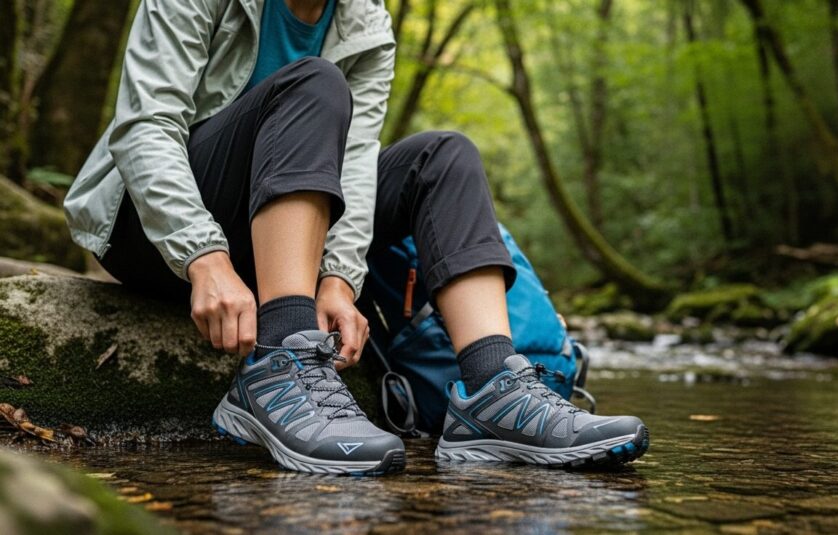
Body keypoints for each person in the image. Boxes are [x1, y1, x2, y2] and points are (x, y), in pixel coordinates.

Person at [65, 0, 648, 475]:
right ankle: (281, 361)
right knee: (315, 84)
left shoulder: (366, 21)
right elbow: (146, 126)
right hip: (152, 223)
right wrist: (204, 257)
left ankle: (494, 390)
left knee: (443, 156)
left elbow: (357, 167)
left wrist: (340, 281)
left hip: (279, 235)